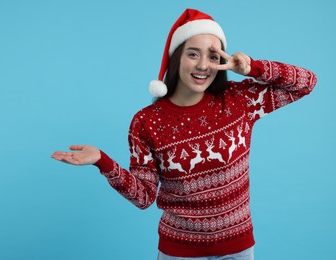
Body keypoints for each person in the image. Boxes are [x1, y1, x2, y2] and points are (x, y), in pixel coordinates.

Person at [51, 8, 317, 260]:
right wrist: (102, 161)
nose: (203, 65)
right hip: (178, 251)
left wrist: (252, 68)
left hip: (237, 249)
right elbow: (144, 197)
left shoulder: (239, 101)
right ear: (176, 57)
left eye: (213, 56)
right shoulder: (146, 122)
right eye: (193, 54)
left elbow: (306, 83)